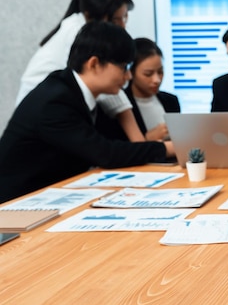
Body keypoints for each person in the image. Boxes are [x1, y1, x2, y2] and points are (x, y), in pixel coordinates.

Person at [0, 21, 175, 204]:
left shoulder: (80, 93)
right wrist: (169, 147)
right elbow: (106, 153)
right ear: (94, 64)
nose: (128, 77)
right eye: (123, 68)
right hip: (15, 205)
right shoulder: (56, 101)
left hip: (50, 197)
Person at [15, 0, 145, 142]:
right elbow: (110, 92)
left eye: (124, 18)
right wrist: (139, 141)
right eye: (114, 20)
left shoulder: (77, 25)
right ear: (91, 16)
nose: (122, 26)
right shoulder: (78, 33)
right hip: (42, 113)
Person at [98, 38, 180, 142]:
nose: (157, 80)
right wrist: (148, 139)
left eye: (160, 72)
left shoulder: (171, 101)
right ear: (131, 72)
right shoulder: (119, 104)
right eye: (148, 74)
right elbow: (117, 148)